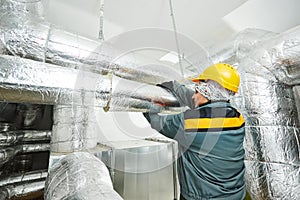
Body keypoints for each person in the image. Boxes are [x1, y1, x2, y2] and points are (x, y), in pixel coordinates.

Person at [143, 63, 246, 200]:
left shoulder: (191, 123)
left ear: (207, 91)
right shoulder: (237, 118)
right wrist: (174, 86)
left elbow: (156, 121)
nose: (193, 95)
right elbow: (205, 105)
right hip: (235, 195)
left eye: (197, 90)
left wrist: (147, 103)